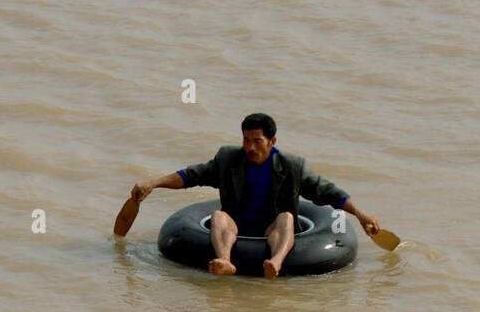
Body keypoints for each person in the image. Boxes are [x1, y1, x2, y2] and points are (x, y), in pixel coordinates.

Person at [131, 113, 380, 278]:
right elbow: (191, 175)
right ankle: (225, 261)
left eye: (257, 141)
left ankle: (277, 262)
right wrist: (154, 183)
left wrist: (360, 214)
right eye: (246, 140)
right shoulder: (228, 159)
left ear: (272, 141)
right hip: (237, 223)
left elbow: (326, 191)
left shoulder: (292, 166)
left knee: (286, 218)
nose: (250, 147)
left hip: (272, 225)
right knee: (219, 215)